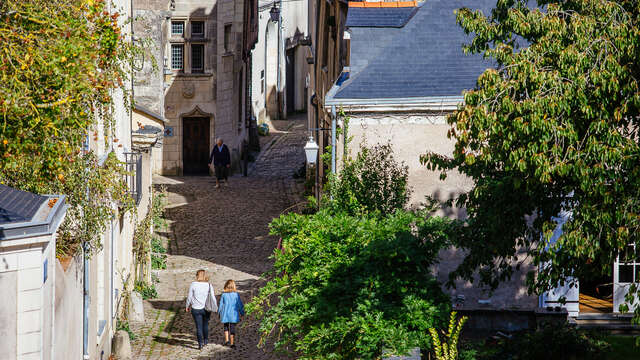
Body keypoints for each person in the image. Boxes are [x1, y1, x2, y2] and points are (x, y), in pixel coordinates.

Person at [186, 269, 217, 350]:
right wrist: (215, 307)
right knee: (205, 324)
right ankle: (206, 340)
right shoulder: (209, 285)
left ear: (197, 276)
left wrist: (187, 306)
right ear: (204, 276)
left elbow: (189, 297)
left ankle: (200, 344)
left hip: (196, 308)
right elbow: (213, 297)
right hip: (206, 308)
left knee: (198, 327)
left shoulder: (193, 284)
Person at [218, 279, 245, 349]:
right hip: (233, 314)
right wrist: (242, 312)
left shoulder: (224, 295)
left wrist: (219, 312)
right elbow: (239, 304)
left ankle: (227, 340)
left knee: (226, 327)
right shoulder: (236, 295)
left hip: (225, 314)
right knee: (232, 328)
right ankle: (232, 343)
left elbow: (221, 305)